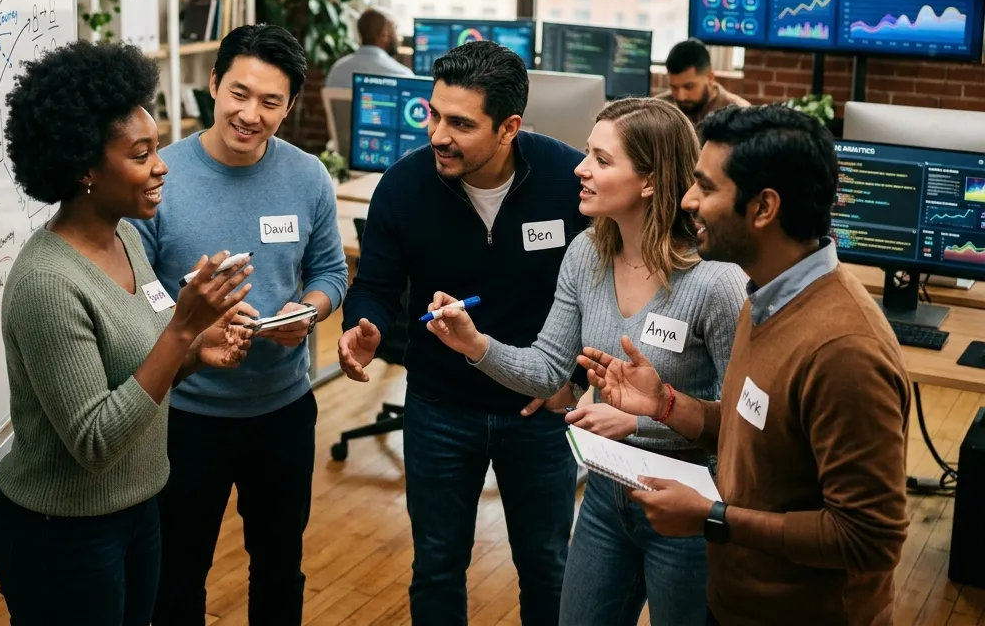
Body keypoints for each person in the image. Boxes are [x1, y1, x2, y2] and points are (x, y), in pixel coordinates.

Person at [577, 105, 911, 626]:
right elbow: (750, 430)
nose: (687, 201)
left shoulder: (845, 350)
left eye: (706, 188)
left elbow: (868, 539)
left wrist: (713, 517)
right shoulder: (765, 297)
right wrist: (664, 403)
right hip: (736, 600)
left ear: (763, 209)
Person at [426, 96, 746, 626]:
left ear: (649, 180)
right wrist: (474, 344)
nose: (580, 168)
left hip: (687, 500)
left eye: (601, 159)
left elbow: (741, 421)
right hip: (606, 492)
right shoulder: (586, 253)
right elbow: (549, 371)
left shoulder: (716, 282)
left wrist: (642, 417)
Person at [0, 41, 255, 626]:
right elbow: (94, 441)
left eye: (158, 147)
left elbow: (137, 375)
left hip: (138, 510)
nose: (161, 166)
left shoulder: (126, 239)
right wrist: (182, 328)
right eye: (141, 155)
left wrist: (195, 353)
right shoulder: (49, 284)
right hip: (62, 536)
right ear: (85, 168)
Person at [339, 40, 589, 626]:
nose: (436, 135)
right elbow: (374, 284)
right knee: (437, 567)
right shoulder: (403, 187)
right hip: (439, 409)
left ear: (508, 128)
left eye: (459, 123)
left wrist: (571, 381)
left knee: (547, 567)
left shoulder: (566, 180)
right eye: (432, 114)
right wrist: (364, 326)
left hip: (538, 412)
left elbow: (599, 292)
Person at [132, 24, 348, 626]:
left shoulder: (307, 177)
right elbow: (135, 296)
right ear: (213, 85)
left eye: (270, 102)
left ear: (289, 106)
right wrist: (194, 332)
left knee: (280, 567)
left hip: (281, 411)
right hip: (185, 417)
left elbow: (331, 272)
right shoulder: (160, 178)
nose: (251, 114)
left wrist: (306, 313)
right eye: (239, 94)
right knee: (176, 575)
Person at [657, 39, 749, 126]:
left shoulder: (740, 114)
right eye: (674, 87)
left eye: (689, 87)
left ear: (710, 78)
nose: (680, 97)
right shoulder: (659, 110)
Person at [323, 7, 414, 89]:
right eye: (396, 29)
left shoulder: (336, 71)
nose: (399, 37)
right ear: (384, 35)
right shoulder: (403, 76)